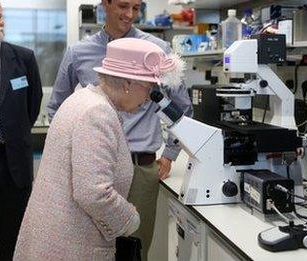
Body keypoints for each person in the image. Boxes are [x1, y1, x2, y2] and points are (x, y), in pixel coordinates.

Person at [14, 37, 185, 260]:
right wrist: (131, 220)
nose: (149, 98)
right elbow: (94, 193)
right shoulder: (98, 114)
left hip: (55, 237)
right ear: (127, 84)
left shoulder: (83, 98)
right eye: (149, 88)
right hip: (71, 245)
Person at [47, 0, 192, 259]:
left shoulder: (157, 50)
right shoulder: (79, 52)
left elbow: (182, 109)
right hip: (92, 168)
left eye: (136, 8)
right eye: (123, 6)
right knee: (90, 249)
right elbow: (57, 108)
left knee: (133, 250)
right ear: (105, 4)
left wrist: (170, 152)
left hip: (140, 169)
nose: (130, 15)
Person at [0, 0, 43, 260]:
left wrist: (12, 133)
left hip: (14, 167)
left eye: (0, 17)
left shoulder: (24, 58)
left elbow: (32, 104)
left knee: (13, 244)